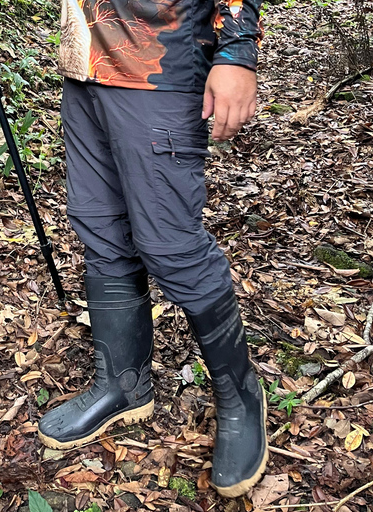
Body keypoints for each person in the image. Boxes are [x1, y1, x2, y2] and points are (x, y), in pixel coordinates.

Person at [37, 0, 267, 498]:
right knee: (99, 227)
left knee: (169, 244)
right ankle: (123, 384)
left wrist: (238, 51)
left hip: (159, 66)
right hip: (85, 64)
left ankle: (241, 398)